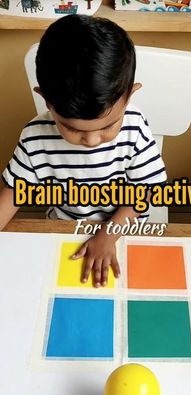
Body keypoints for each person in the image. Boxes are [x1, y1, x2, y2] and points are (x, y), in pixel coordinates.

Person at [0, 14, 166, 286]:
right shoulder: (35, 137)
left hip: (124, 228)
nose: (91, 141)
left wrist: (108, 235)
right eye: (73, 129)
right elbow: (11, 196)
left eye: (108, 126)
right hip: (64, 228)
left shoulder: (134, 128)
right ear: (46, 100)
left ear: (130, 95)